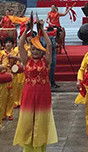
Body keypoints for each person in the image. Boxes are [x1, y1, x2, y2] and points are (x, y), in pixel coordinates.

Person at [13, 20, 57, 151]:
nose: (35, 51)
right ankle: (28, 148)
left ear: (42, 50)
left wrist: (42, 29)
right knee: (27, 121)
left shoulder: (46, 61)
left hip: (43, 94)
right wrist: (27, 29)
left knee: (41, 120)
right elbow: (20, 45)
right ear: (30, 50)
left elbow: (49, 44)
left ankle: (40, 147)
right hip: (28, 93)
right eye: (33, 49)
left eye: (38, 49)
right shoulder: (26, 60)